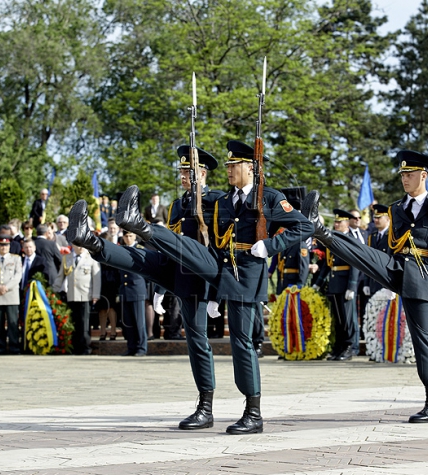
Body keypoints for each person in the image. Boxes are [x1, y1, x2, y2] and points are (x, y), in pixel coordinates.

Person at [70, 140, 314, 434]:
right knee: (141, 260)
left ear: (250, 167)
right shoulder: (215, 202)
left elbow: (298, 227)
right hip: (191, 267)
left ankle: (252, 411)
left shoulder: (245, 198)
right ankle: (93, 241)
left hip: (230, 273)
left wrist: (269, 247)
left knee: (241, 343)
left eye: (232, 165)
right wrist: (162, 287)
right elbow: (207, 242)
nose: (228, 170)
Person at [302, 150, 428, 423]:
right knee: (360, 253)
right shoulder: (396, 208)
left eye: (409, 175)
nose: (404, 179)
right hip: (396, 266)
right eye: (402, 175)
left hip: (422, 273)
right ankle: (319, 229)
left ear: (423, 176)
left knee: (422, 339)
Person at [312, 209, 360, 361]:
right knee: (338, 318)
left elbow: (355, 264)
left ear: (347, 223)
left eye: (339, 222)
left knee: (347, 318)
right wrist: (318, 283)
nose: (336, 224)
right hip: (334, 283)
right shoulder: (332, 239)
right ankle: (339, 347)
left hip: (345, 283)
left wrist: (352, 286)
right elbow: (327, 264)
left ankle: (349, 346)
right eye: (336, 222)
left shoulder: (351, 239)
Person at [53, 245, 100, 355]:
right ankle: (75, 347)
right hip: (72, 295)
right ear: (73, 245)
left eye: (82, 245)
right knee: (74, 323)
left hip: (85, 295)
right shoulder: (67, 258)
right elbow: (61, 276)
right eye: (78, 245)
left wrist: (95, 294)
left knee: (84, 323)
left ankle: (85, 347)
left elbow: (96, 277)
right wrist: (53, 290)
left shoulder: (91, 257)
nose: (81, 247)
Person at [0, 236, 23, 355]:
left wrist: (6, 287)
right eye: (1, 245)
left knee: (12, 323)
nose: (3, 247)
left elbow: (18, 276)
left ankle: (14, 347)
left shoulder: (16, 259)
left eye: (6, 245)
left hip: (11, 294)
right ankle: (0, 347)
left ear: (9, 246)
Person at [119, 231, 148, 356]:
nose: (128, 238)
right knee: (128, 322)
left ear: (135, 236)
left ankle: (142, 347)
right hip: (124, 289)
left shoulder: (140, 249)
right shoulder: (121, 249)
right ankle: (131, 347)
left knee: (139, 321)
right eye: (126, 236)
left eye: (130, 236)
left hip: (137, 288)